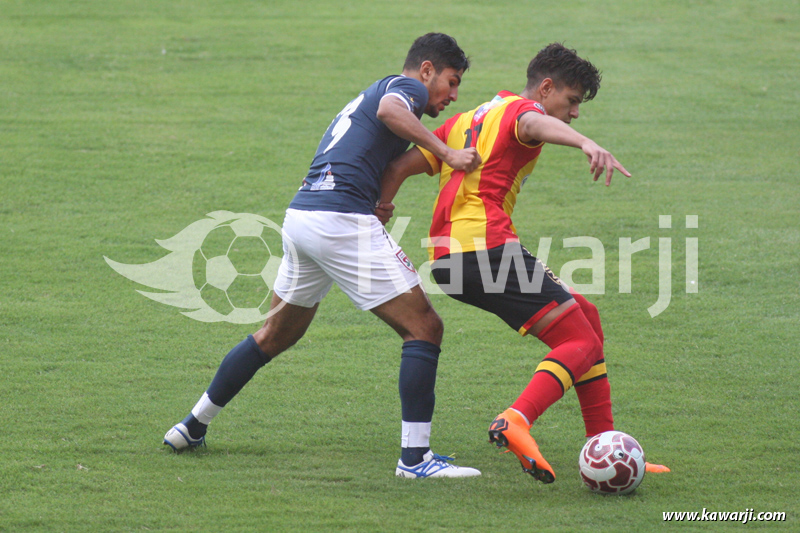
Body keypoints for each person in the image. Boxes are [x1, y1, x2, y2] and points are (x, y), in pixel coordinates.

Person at [163, 33, 483, 479]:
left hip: (303, 217)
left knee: (274, 335)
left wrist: (376, 198)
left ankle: (192, 425)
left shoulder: (369, 93)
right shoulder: (407, 88)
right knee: (424, 327)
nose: (453, 95)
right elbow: (391, 112)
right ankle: (415, 460)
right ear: (426, 70)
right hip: (339, 221)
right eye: (452, 82)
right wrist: (446, 151)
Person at [377, 43, 669, 483]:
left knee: (586, 317)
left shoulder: (464, 122)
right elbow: (533, 122)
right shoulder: (522, 113)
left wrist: (381, 207)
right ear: (546, 88)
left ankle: (603, 444)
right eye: (571, 101)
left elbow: (397, 167)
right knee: (580, 340)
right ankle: (516, 420)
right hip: (487, 250)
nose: (574, 114)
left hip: (447, 260)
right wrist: (585, 142)